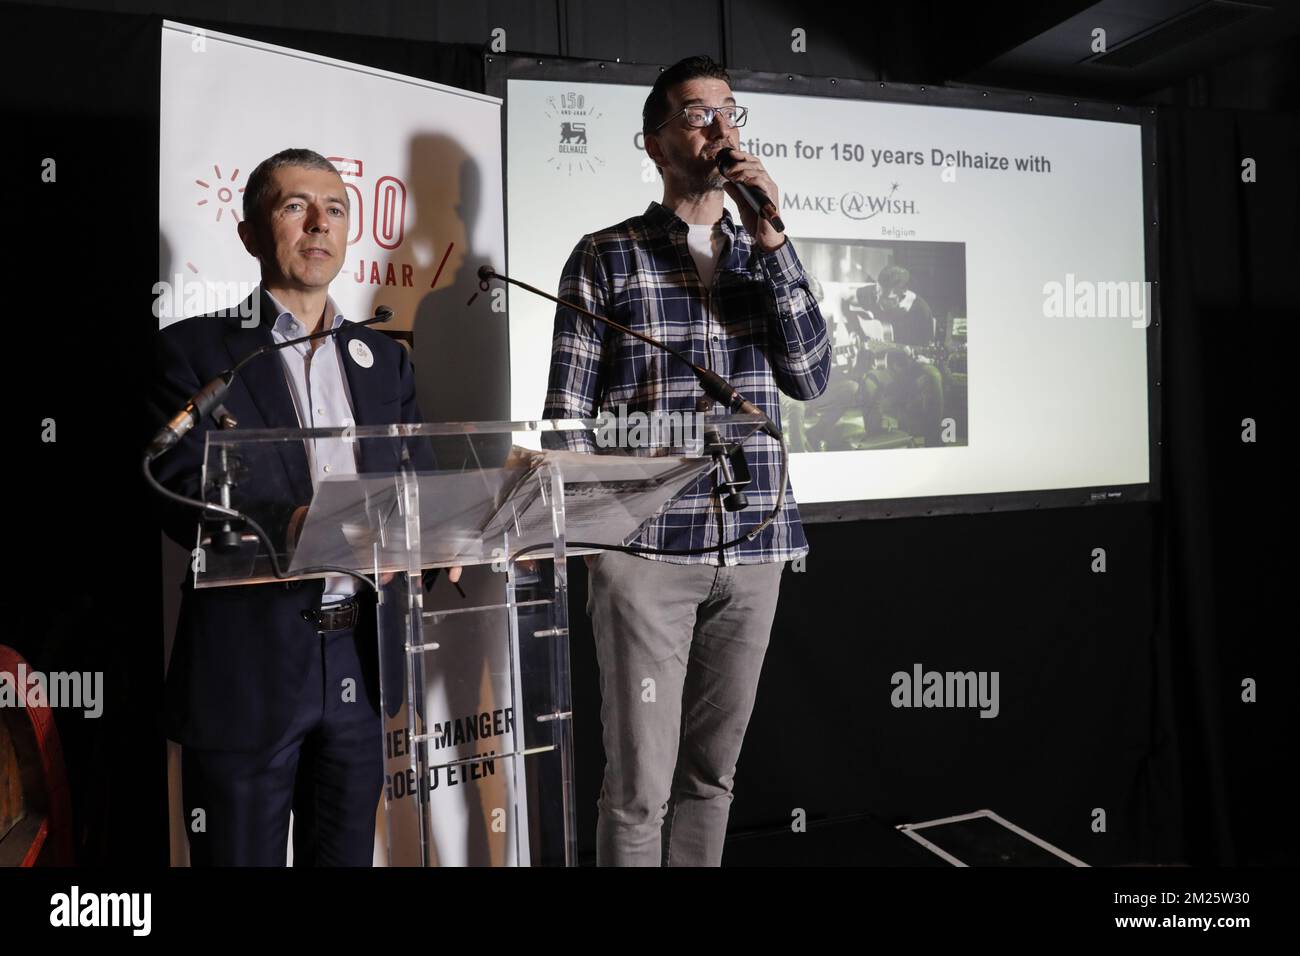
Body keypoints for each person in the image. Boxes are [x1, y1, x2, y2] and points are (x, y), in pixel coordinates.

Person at [542, 56, 830, 866]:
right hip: (644, 555)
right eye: (698, 114)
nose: (719, 128)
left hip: (757, 545)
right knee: (638, 787)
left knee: (713, 774)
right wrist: (602, 546)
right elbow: (567, 422)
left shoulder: (763, 253)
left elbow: (810, 377)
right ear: (656, 142)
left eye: (730, 112)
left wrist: (773, 235)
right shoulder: (606, 256)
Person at [149, 148, 452, 866]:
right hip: (248, 666)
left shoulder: (385, 361)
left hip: (359, 656)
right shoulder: (194, 354)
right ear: (253, 233)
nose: (319, 223)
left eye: (335, 209)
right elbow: (176, 480)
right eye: (294, 207)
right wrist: (288, 522)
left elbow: (421, 484)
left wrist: (447, 537)